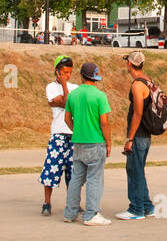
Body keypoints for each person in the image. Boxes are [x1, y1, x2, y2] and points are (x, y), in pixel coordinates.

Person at [61, 61, 113, 226]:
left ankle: (70, 212)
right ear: (96, 77)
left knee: (77, 177)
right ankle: (91, 214)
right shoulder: (99, 96)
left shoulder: (73, 95)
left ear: (82, 76)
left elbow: (66, 118)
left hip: (78, 142)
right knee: (94, 179)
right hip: (95, 142)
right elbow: (104, 122)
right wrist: (108, 142)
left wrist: (76, 129)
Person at [118, 51, 159, 220]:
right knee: (138, 170)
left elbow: (138, 112)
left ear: (130, 64)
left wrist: (130, 138)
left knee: (134, 170)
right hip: (145, 135)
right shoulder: (148, 81)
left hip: (139, 135)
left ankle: (136, 209)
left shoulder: (137, 85)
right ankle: (147, 206)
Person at [39, 55, 77, 215]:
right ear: (57, 71)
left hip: (73, 133)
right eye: (64, 72)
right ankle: (47, 202)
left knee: (73, 171)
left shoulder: (75, 87)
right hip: (58, 133)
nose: (67, 75)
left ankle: (72, 202)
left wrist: (63, 96)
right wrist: (63, 89)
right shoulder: (51, 87)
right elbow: (67, 103)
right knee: (52, 168)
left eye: (70, 72)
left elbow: (67, 103)